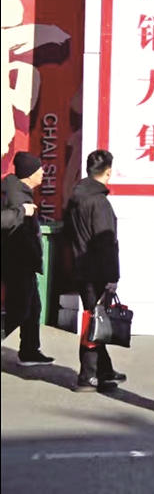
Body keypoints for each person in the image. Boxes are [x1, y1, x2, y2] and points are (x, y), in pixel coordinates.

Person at [65, 149, 124, 392]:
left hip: (81, 266)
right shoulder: (99, 202)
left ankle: (104, 370)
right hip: (97, 270)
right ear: (108, 171)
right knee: (94, 321)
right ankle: (87, 375)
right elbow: (105, 242)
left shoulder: (76, 197)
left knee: (96, 318)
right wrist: (112, 276)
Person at [2, 152, 51, 364]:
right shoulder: (17, 196)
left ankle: (30, 350)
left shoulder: (21, 192)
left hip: (25, 262)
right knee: (20, 309)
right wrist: (22, 212)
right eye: (39, 169)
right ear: (30, 173)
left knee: (32, 308)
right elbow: (13, 229)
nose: (43, 173)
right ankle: (25, 350)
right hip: (18, 263)